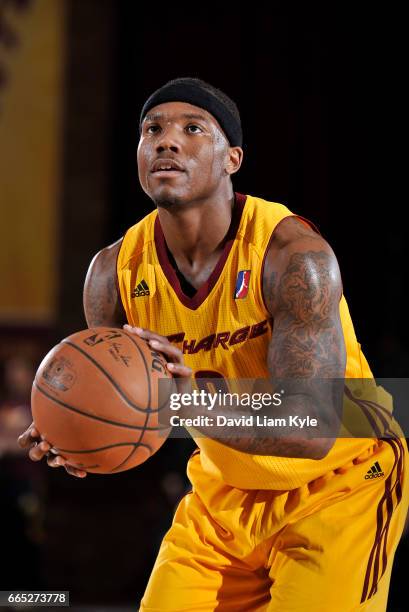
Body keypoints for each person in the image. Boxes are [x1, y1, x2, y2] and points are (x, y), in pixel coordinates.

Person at [19, 78, 408, 611]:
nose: (166, 141)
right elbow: (134, 414)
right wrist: (76, 428)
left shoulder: (294, 257)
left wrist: (183, 401)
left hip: (339, 480)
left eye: (192, 129)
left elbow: (312, 426)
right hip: (224, 493)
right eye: (151, 129)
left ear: (232, 159)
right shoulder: (113, 273)